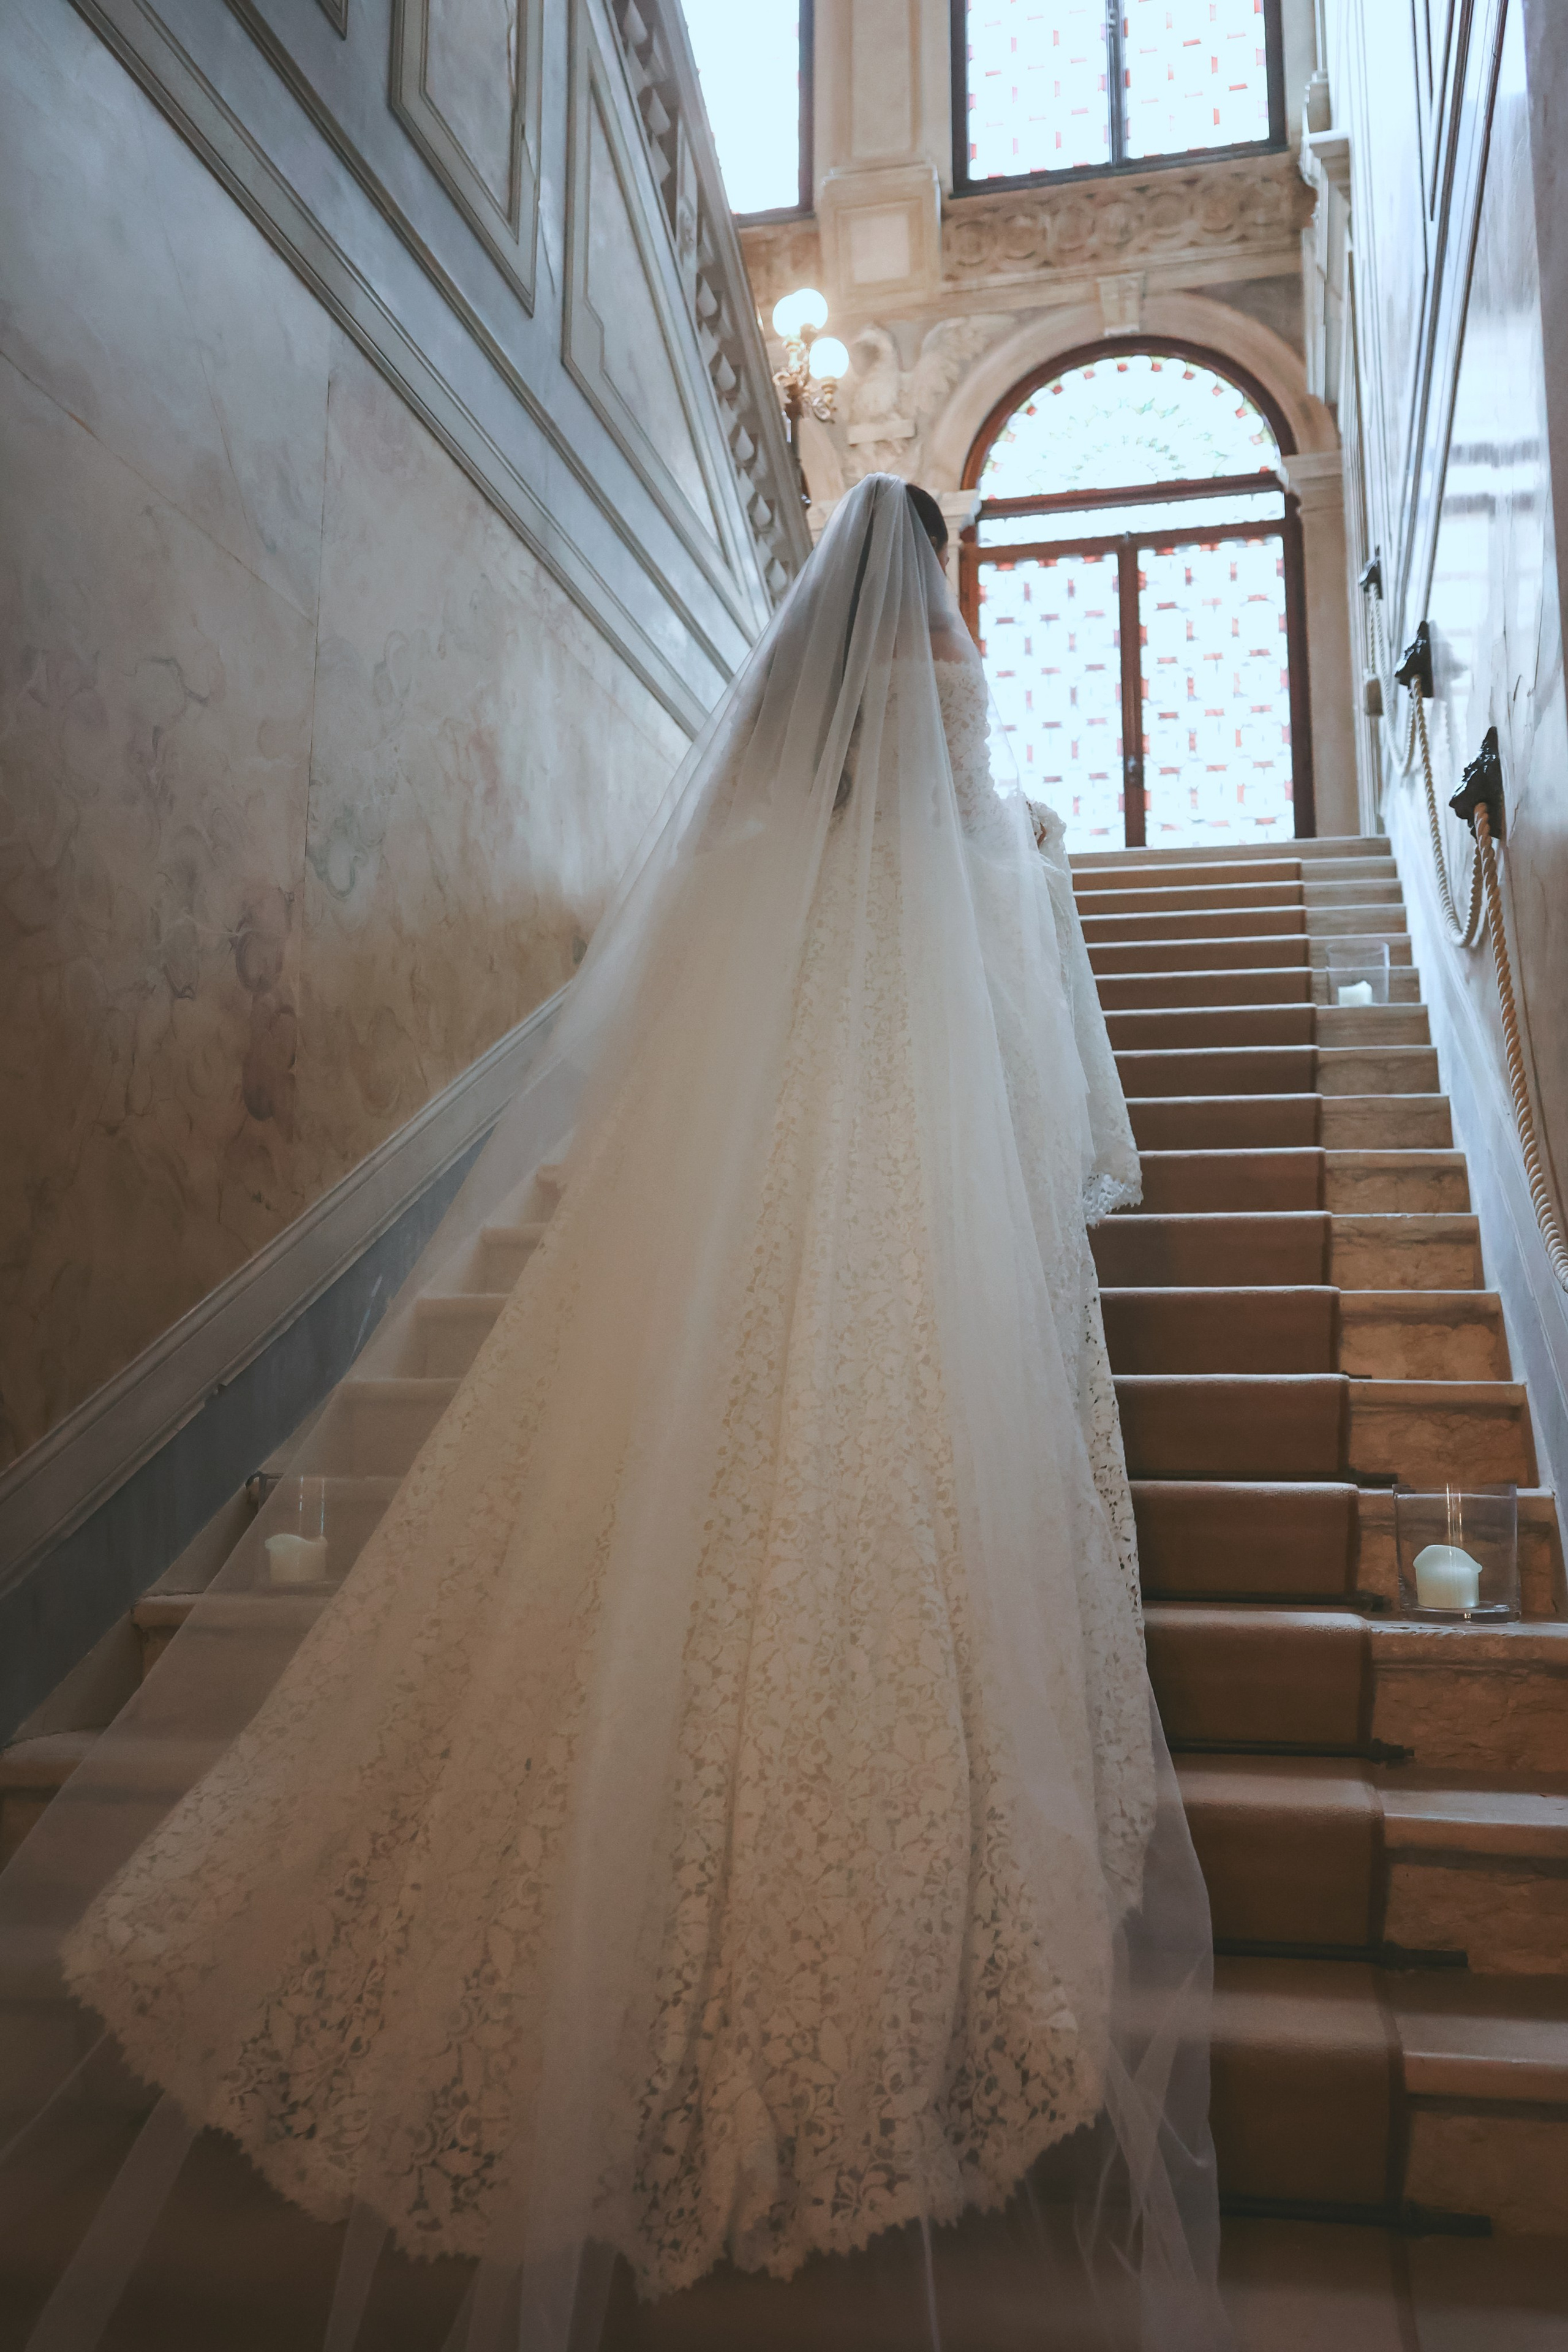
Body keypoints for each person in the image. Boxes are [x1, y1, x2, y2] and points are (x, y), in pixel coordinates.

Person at [0, 475, 1226, 2351]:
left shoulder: (743, 860)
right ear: (940, 607)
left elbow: (655, 1064)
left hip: (730, 1226)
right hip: (896, 1206)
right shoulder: (968, 821)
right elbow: (1022, 1052)